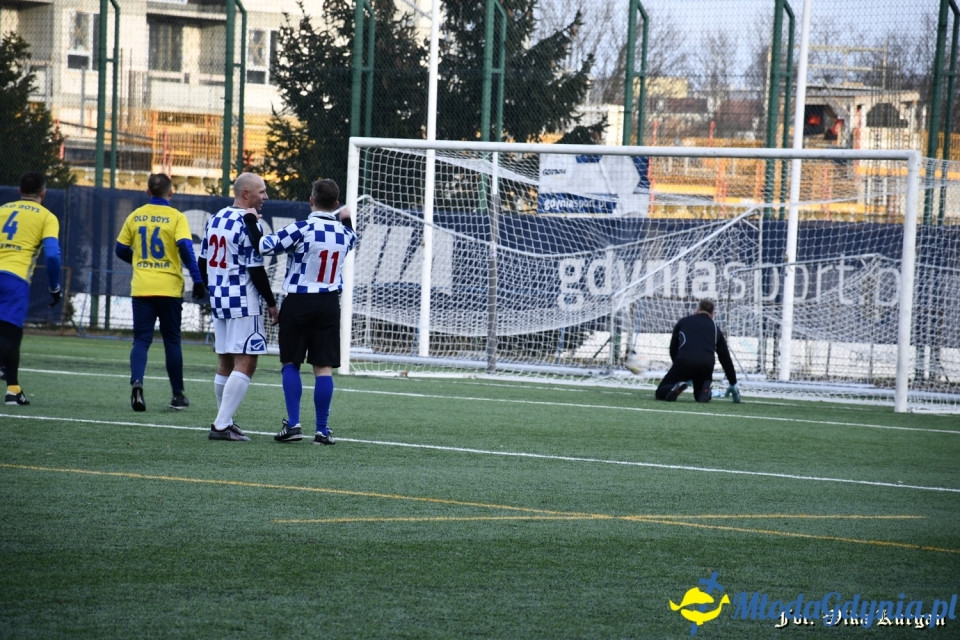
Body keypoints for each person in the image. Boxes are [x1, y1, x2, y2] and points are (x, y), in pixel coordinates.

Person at [247, 178, 357, 445]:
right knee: (323, 368)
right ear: (335, 203)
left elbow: (263, 247)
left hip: (298, 301)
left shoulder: (302, 228)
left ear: (311, 201)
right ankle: (322, 430)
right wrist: (346, 218)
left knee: (291, 363)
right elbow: (353, 239)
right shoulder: (345, 235)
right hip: (329, 303)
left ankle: (294, 424)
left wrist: (251, 220)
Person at [115, 173, 206, 412]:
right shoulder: (176, 217)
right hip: (169, 288)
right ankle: (177, 395)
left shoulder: (136, 216)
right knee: (172, 341)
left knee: (141, 340)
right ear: (171, 192)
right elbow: (185, 248)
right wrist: (197, 280)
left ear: (147, 192)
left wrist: (138, 260)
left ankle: (137, 383)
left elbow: (120, 249)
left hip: (142, 287)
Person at [198, 172, 279, 441]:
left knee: (225, 361)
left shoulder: (216, 218)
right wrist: (270, 302)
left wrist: (212, 290)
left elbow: (202, 262)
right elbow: (255, 268)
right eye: (262, 192)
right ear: (246, 194)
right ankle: (221, 425)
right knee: (246, 361)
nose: (265, 197)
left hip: (219, 299)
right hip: (244, 300)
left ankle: (226, 421)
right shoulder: (249, 223)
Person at [0, 172, 62, 406]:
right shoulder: (47, 216)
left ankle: (13, 390)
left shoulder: (3, 209)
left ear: (19, 191)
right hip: (14, 279)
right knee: (9, 335)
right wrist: (55, 287)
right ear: (43, 194)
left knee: (13, 336)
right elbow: (53, 255)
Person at [655, 299, 740, 403]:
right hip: (706, 364)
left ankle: (675, 387)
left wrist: (677, 366)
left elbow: (673, 348)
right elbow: (724, 357)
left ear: (697, 310)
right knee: (699, 395)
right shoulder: (715, 327)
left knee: (660, 392)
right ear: (712, 314)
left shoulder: (684, 321)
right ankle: (705, 390)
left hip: (685, 360)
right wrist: (733, 382)